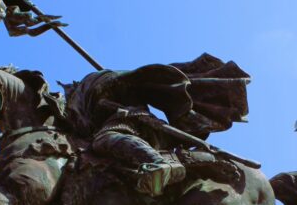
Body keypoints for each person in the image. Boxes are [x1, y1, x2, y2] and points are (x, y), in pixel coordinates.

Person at [60, 53, 251, 196]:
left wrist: (107, 92)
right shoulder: (87, 107)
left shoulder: (107, 84)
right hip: (129, 127)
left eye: (71, 91)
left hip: (135, 125)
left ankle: (159, 164)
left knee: (105, 139)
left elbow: (119, 84)